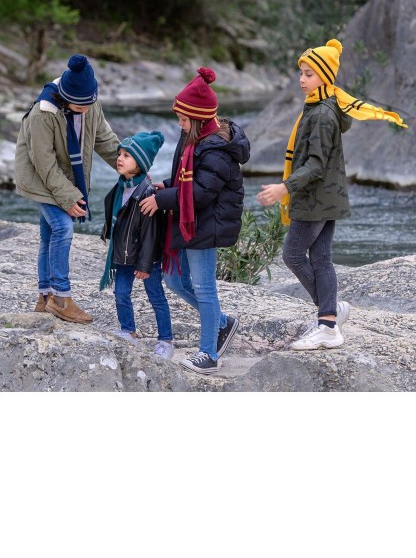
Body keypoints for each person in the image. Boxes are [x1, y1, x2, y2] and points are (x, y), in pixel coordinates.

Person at [257, 38, 407, 350]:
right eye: (301, 72)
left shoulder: (322, 114)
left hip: (315, 198)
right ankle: (329, 319)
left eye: (309, 74)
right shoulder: (320, 106)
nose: (302, 79)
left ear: (325, 77)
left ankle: (329, 318)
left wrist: (284, 187)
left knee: (292, 255)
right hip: (328, 196)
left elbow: (315, 164)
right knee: (321, 259)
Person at [139, 67, 250, 375]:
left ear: (199, 119)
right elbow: (186, 180)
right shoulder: (194, 138)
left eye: (183, 119)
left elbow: (200, 192)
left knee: (204, 288)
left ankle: (209, 354)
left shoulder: (216, 149)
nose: (179, 123)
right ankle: (222, 322)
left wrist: (161, 199)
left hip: (206, 224)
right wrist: (166, 185)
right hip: (190, 220)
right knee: (175, 280)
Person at [14, 54, 120, 324]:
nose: (86, 110)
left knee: (48, 235)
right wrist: (70, 197)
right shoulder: (43, 113)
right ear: (65, 97)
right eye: (80, 105)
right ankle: (61, 298)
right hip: (39, 177)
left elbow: (105, 139)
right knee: (62, 228)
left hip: (64, 176)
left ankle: (44, 297)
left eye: (89, 104)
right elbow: (44, 164)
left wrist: (131, 166)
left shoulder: (89, 103)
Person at [99, 130, 174, 359]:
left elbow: (151, 234)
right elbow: (117, 219)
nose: (119, 159)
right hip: (124, 254)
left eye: (127, 156)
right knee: (121, 293)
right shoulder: (121, 187)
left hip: (147, 258)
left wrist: (145, 265)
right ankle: (128, 330)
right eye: (119, 154)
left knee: (156, 296)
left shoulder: (147, 193)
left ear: (140, 164)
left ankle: (166, 340)